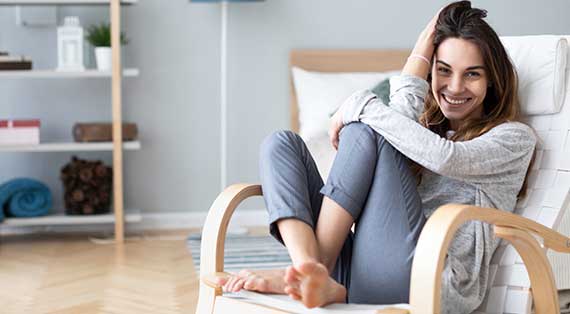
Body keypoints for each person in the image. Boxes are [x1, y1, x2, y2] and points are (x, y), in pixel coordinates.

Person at [217, 1, 536, 313]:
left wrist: (362, 104)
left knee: (366, 128)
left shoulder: (513, 139)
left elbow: (446, 157)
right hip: (364, 270)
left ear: (492, 78)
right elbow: (395, 122)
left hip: (429, 277)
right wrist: (422, 47)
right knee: (280, 144)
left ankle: (319, 270)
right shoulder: (423, 132)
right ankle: (308, 269)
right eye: (443, 70)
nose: (454, 86)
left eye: (472, 74)